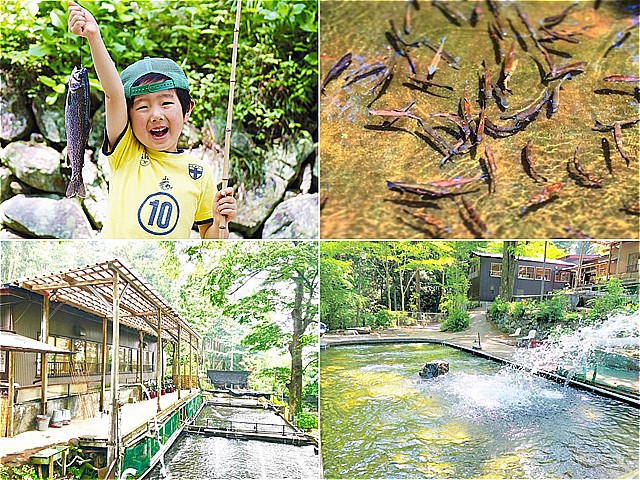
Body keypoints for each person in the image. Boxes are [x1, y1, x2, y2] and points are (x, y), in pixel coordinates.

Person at [68, 1, 237, 239]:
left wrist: (221, 223)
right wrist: (94, 37)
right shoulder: (125, 151)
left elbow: (209, 240)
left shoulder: (200, 172)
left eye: (166, 103)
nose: (156, 114)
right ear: (128, 115)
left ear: (187, 109)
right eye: (143, 107)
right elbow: (114, 93)